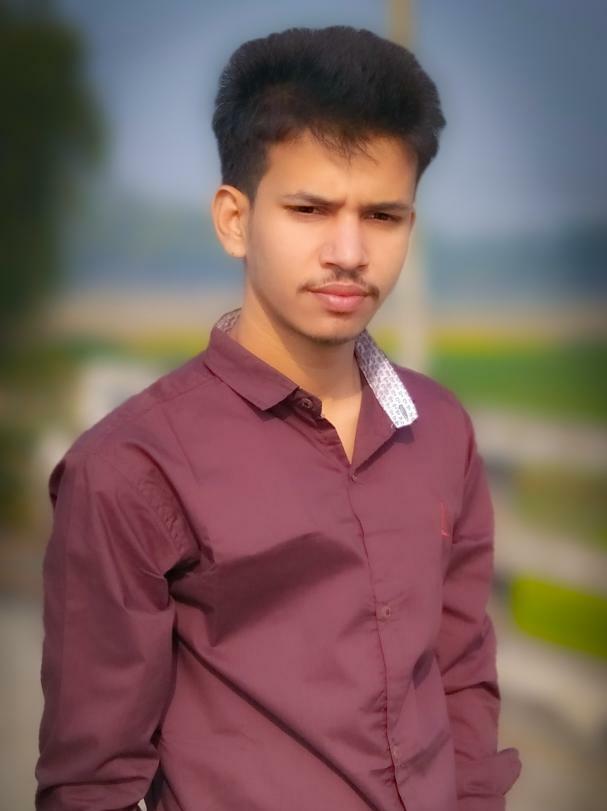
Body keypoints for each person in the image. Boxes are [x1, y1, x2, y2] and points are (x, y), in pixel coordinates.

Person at [35, 24, 522, 811]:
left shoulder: (439, 427)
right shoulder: (131, 466)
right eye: (309, 208)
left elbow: (462, 678)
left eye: (383, 216)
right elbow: (91, 782)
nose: (348, 251)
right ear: (234, 219)